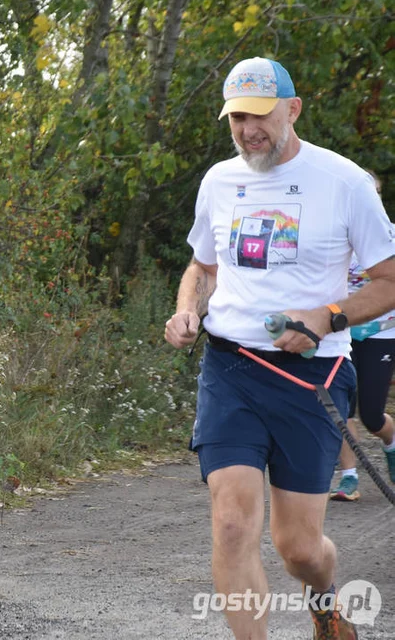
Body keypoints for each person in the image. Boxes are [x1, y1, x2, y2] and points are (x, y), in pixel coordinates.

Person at [164, 57, 395, 640]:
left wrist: (326, 316)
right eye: (237, 117)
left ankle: (324, 604)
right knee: (233, 524)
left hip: (311, 376)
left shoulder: (344, 182)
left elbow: (390, 280)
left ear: (292, 110)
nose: (248, 130)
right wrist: (188, 307)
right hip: (230, 368)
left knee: (298, 548)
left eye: (260, 115)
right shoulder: (219, 180)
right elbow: (201, 265)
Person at [329, 170, 395, 501]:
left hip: (383, 335)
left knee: (370, 415)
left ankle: (391, 441)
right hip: (342, 334)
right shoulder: (335, 238)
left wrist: (377, 324)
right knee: (339, 409)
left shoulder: (391, 237)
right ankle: (349, 477)